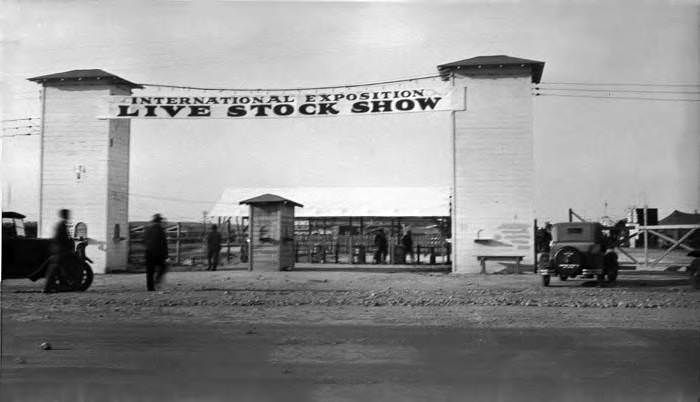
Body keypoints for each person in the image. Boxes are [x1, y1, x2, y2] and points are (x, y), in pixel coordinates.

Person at [44, 209, 76, 293]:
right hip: (59, 249)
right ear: (64, 215)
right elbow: (63, 238)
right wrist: (70, 243)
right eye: (67, 214)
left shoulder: (61, 224)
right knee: (56, 267)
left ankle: (58, 285)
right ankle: (49, 287)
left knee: (57, 267)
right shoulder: (62, 225)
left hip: (57, 248)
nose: (69, 216)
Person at [144, 213, 168, 291]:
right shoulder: (161, 230)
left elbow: (144, 240)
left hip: (149, 252)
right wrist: (166, 255)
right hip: (159, 253)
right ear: (159, 221)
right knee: (163, 267)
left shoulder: (147, 229)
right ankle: (157, 280)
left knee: (150, 271)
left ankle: (150, 287)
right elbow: (164, 243)